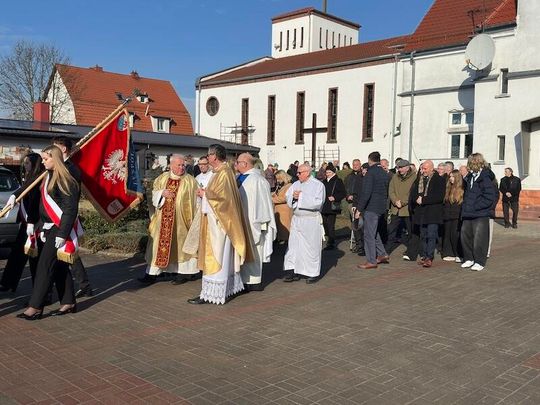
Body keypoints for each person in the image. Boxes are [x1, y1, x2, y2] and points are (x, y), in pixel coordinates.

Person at [17, 145, 81, 320]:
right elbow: (30, 191)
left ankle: (35, 306)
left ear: (56, 159)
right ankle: (68, 301)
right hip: (47, 227)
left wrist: (62, 233)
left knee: (44, 265)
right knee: (59, 266)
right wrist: (16, 197)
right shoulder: (46, 176)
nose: (43, 162)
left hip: (59, 227)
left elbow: (70, 209)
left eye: (46, 159)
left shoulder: (65, 179)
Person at [187, 144, 253, 304]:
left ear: (214, 156)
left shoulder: (224, 173)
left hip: (220, 225)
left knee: (217, 257)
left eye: (208, 155)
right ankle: (218, 291)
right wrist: (205, 195)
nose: (207, 157)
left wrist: (204, 194)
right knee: (221, 257)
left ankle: (212, 294)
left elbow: (224, 200)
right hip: (216, 221)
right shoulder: (220, 172)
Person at [139, 154, 199, 285]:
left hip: (182, 222)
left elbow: (196, 202)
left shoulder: (190, 181)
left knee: (180, 247)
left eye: (183, 165)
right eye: (179, 165)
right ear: (171, 165)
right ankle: (151, 274)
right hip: (162, 221)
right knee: (156, 246)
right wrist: (161, 193)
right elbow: (152, 195)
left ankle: (183, 274)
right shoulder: (162, 178)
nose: (182, 167)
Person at [52, 137, 93, 298]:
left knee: (68, 250)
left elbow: (69, 197)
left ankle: (84, 285)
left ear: (63, 149)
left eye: (54, 147)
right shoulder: (58, 166)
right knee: (66, 252)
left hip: (65, 215)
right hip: (56, 214)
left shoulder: (70, 169)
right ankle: (84, 285)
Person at [1, 153, 44, 293]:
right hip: (25, 224)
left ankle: (40, 292)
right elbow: (23, 191)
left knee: (34, 260)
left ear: (34, 164)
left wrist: (31, 221)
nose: (24, 165)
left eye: (27, 163)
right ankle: (7, 283)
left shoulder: (39, 179)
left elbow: (34, 204)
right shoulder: (29, 178)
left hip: (35, 225)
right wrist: (14, 195)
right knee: (16, 255)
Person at [236, 153, 276, 291]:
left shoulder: (259, 180)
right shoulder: (238, 177)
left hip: (254, 221)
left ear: (245, 164)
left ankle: (253, 282)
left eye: (238, 162)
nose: (236, 164)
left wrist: (260, 221)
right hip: (240, 220)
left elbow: (264, 203)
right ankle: (242, 280)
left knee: (255, 250)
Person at [283, 163, 325, 283]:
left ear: (307, 173)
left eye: (299, 173)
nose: (297, 175)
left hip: (310, 220)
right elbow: (288, 197)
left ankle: (311, 272)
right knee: (294, 246)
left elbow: (318, 202)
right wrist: (294, 198)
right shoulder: (296, 184)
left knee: (310, 247)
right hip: (297, 219)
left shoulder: (318, 185)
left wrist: (301, 197)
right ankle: (293, 270)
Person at [460, 153, 499, 271]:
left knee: (479, 238)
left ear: (475, 163)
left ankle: (479, 261)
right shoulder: (471, 177)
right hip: (468, 213)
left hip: (480, 213)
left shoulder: (485, 177)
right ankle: (469, 258)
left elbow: (489, 197)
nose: (468, 165)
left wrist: (475, 206)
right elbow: (468, 194)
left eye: (470, 163)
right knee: (465, 236)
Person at [356, 152, 390, 269]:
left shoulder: (370, 173)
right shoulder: (384, 173)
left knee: (368, 235)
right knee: (374, 232)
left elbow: (366, 193)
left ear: (370, 160)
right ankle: (382, 254)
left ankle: (371, 261)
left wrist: (359, 209)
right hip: (381, 206)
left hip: (371, 207)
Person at [410, 160, 446, 268]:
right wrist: (416, 199)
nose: (423, 171)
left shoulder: (439, 179)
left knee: (431, 235)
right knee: (423, 235)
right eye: (422, 168)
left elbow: (439, 197)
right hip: (421, 212)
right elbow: (413, 193)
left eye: (425, 169)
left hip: (433, 213)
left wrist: (424, 200)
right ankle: (424, 256)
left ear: (431, 168)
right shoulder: (419, 179)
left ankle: (429, 257)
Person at [387, 159, 416, 255]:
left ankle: (411, 251)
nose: (399, 169)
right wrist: (395, 201)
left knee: (410, 231)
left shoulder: (414, 177)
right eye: (398, 167)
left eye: (401, 167)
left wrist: (402, 202)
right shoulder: (395, 177)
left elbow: (412, 193)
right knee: (391, 230)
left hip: (407, 209)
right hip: (395, 209)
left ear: (407, 168)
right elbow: (391, 190)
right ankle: (386, 251)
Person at [320, 163, 346, 250]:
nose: (327, 174)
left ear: (333, 172)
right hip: (324, 206)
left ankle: (331, 243)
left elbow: (343, 193)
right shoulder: (324, 181)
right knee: (324, 223)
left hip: (332, 206)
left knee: (331, 225)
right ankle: (329, 237)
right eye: (326, 172)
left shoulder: (338, 181)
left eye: (329, 172)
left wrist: (335, 197)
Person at [442, 170, 464, 262]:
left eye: (453, 177)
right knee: (447, 234)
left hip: (456, 216)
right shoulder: (448, 188)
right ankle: (448, 252)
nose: (451, 178)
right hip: (447, 215)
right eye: (450, 176)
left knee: (455, 235)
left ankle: (458, 254)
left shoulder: (462, 190)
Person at [345, 159, 364, 254]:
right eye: (354, 164)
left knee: (361, 223)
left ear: (360, 165)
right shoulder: (349, 177)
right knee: (355, 223)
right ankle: (358, 244)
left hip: (361, 203)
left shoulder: (363, 175)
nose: (355, 166)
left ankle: (363, 244)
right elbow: (345, 189)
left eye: (357, 164)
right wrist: (348, 196)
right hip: (351, 203)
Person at [272, 170, 293, 243]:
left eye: (278, 179)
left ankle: (285, 240)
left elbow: (285, 198)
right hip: (279, 209)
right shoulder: (282, 185)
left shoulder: (289, 186)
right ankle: (280, 238)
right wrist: (274, 195)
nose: (277, 181)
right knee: (280, 225)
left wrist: (272, 199)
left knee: (285, 225)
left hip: (285, 210)